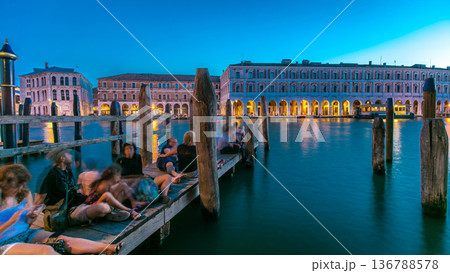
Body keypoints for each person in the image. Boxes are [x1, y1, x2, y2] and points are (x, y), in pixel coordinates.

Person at [0, 164, 123, 255]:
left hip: (25, 233)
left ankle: (106, 247)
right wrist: (12, 221)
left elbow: (27, 225)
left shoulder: (24, 194)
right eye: (17, 185)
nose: (20, 188)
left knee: (64, 240)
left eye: (23, 184)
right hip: (4, 243)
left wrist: (31, 218)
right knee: (46, 250)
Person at [36, 148, 116, 227]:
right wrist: (34, 211)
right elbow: (39, 198)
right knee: (103, 207)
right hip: (66, 212)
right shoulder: (50, 174)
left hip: (77, 204)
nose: (71, 156)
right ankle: (104, 214)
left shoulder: (67, 172)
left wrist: (87, 198)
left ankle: (103, 215)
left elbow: (73, 192)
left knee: (107, 197)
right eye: (68, 154)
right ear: (62, 158)